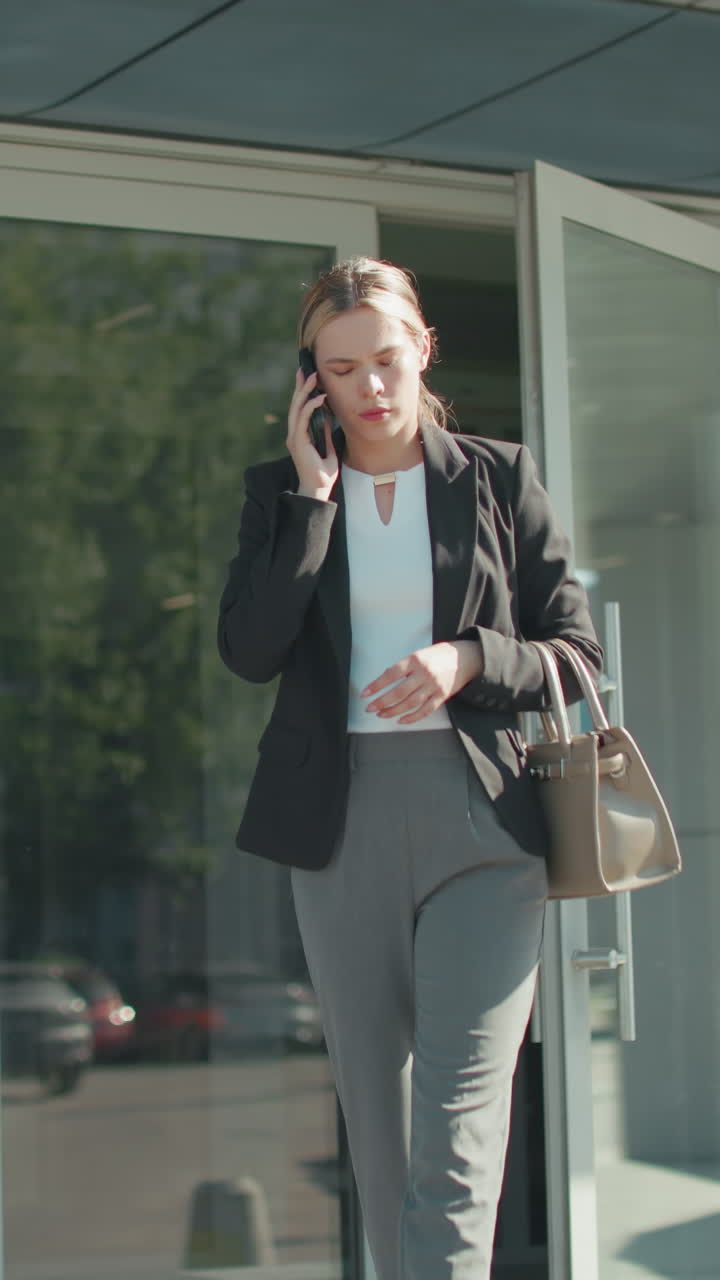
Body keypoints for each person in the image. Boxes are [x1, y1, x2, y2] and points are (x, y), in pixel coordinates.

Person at [217, 257, 602, 1280]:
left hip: (485, 824)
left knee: (462, 1115)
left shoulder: (498, 476)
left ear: (423, 349)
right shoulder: (279, 497)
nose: (370, 387)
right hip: (338, 825)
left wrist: (467, 657)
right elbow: (250, 650)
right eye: (341, 369)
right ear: (314, 380)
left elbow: (575, 653)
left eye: (386, 359)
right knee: (378, 1124)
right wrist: (311, 500)